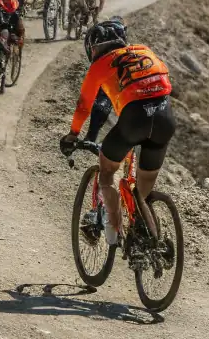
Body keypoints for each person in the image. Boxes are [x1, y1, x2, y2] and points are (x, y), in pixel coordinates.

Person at [59, 19, 175, 246]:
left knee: (107, 172)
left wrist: (73, 134)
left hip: (134, 119)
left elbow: (84, 105)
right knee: (143, 186)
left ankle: (113, 231)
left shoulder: (100, 64)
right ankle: (147, 235)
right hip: (165, 116)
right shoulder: (144, 50)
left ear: (95, 47)